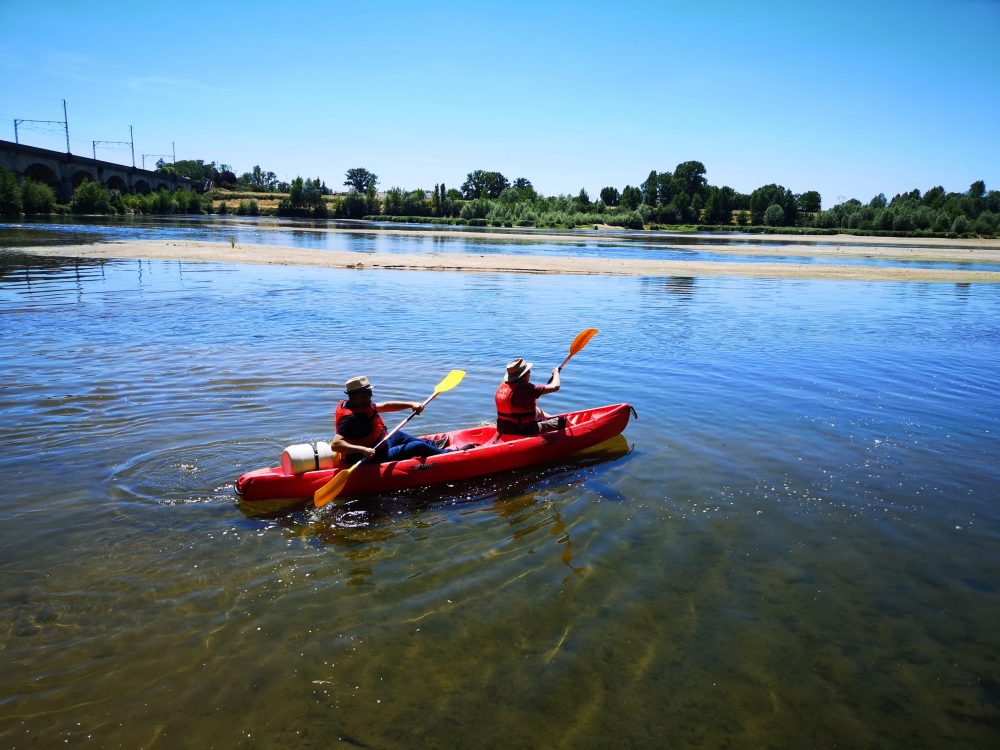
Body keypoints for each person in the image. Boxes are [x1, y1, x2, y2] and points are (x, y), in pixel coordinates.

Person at [331, 375, 449, 464]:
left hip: (381, 442)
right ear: (359, 396)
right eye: (369, 392)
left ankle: (433, 445)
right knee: (417, 446)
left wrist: (411, 404)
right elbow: (336, 445)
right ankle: (447, 455)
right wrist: (363, 450)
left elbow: (385, 406)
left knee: (397, 434)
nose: (371, 395)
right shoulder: (350, 418)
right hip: (373, 455)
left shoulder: (359, 404)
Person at [495, 357, 567, 436]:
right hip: (523, 430)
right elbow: (555, 387)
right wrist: (556, 373)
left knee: (535, 410)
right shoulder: (525, 388)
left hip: (503, 428)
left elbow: (529, 408)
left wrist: (550, 417)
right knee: (563, 421)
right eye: (529, 371)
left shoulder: (502, 386)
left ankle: (550, 418)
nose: (530, 373)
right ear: (524, 375)